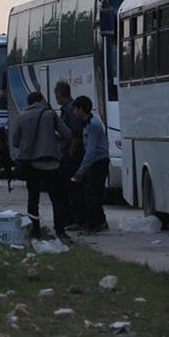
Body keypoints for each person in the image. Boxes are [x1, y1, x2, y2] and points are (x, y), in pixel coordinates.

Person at [12, 91, 71, 239]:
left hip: (32, 165)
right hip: (52, 164)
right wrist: (58, 147)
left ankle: (35, 231)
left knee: (33, 200)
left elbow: (15, 142)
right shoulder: (50, 115)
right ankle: (60, 231)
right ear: (41, 100)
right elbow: (67, 134)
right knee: (57, 199)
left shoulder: (22, 117)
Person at [72, 95, 109, 232]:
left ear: (81, 109)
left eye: (75, 109)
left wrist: (81, 169)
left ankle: (95, 223)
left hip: (98, 162)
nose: (74, 112)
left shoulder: (93, 124)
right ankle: (98, 221)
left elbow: (91, 150)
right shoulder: (86, 124)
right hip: (93, 163)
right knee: (90, 192)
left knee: (93, 194)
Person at [54, 81, 85, 228]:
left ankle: (74, 219)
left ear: (60, 94)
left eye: (56, 94)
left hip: (72, 155)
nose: (56, 97)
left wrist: (71, 153)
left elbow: (75, 134)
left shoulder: (69, 109)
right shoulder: (68, 108)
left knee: (72, 188)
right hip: (70, 153)